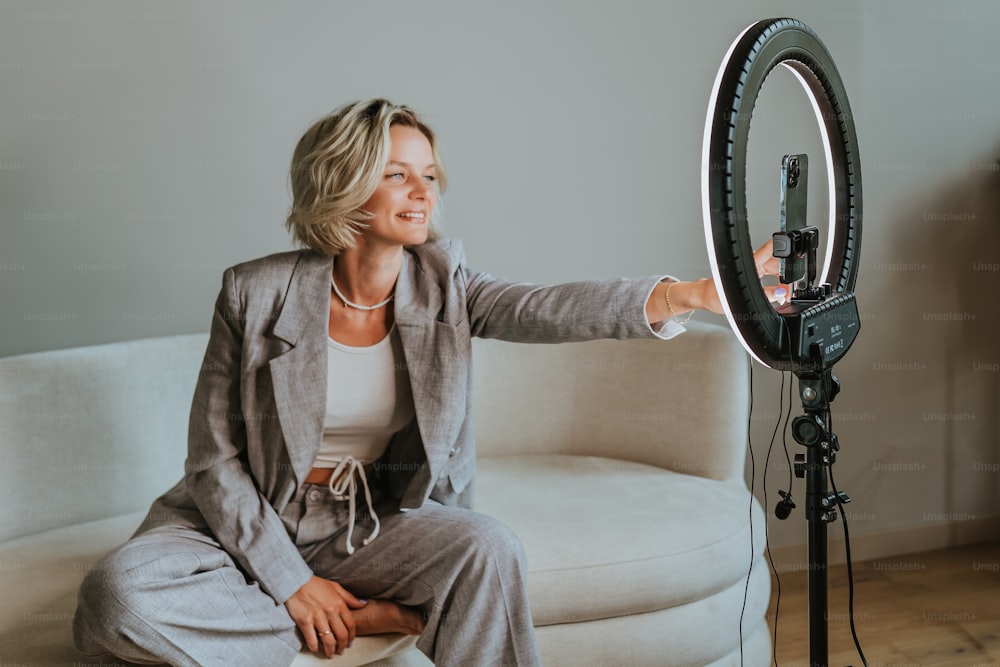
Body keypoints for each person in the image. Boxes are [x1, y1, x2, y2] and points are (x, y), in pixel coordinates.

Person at [73, 98, 786, 666]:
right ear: (343, 183)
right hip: (245, 520)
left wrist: (694, 293)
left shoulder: (445, 282)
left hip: (364, 525)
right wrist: (292, 584)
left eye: (429, 173)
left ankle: (321, 603)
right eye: (398, 173)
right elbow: (212, 461)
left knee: (487, 546)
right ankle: (349, 616)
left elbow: (548, 308)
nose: (424, 190)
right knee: (119, 600)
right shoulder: (254, 293)